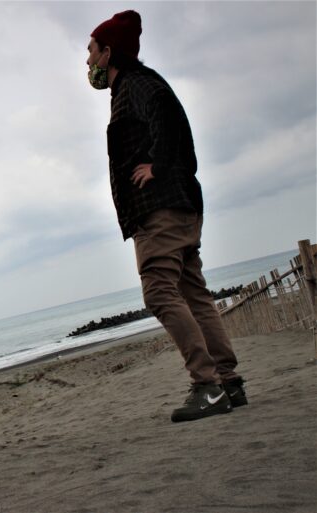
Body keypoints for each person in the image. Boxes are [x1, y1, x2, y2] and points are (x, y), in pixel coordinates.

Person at [86, 11, 247, 422]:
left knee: (159, 292)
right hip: (178, 206)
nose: (88, 60)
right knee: (193, 293)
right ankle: (227, 381)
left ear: (108, 52)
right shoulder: (133, 86)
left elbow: (168, 117)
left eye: (91, 51)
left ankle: (208, 385)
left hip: (159, 210)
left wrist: (158, 165)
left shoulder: (137, 84)